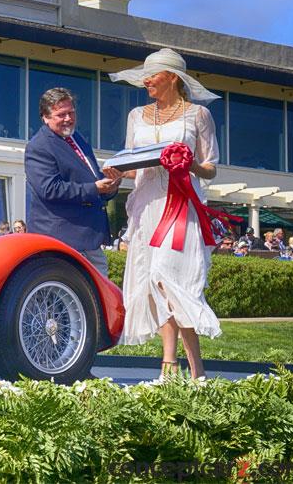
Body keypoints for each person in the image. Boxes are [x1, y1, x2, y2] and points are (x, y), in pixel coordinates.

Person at [107, 47, 222, 380]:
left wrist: (191, 164)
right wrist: (117, 172)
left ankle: (194, 367)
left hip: (180, 206)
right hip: (146, 209)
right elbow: (133, 164)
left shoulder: (198, 115)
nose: (146, 82)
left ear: (173, 77)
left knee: (172, 279)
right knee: (153, 283)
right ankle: (170, 365)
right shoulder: (136, 116)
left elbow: (211, 168)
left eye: (152, 75)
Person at [25, 87, 120, 277]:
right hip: (62, 238)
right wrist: (94, 188)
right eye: (61, 115)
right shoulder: (39, 146)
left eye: (71, 112)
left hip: (88, 237)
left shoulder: (77, 139)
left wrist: (110, 185)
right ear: (45, 117)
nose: (68, 118)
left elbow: (91, 179)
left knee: (99, 296)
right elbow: (49, 189)